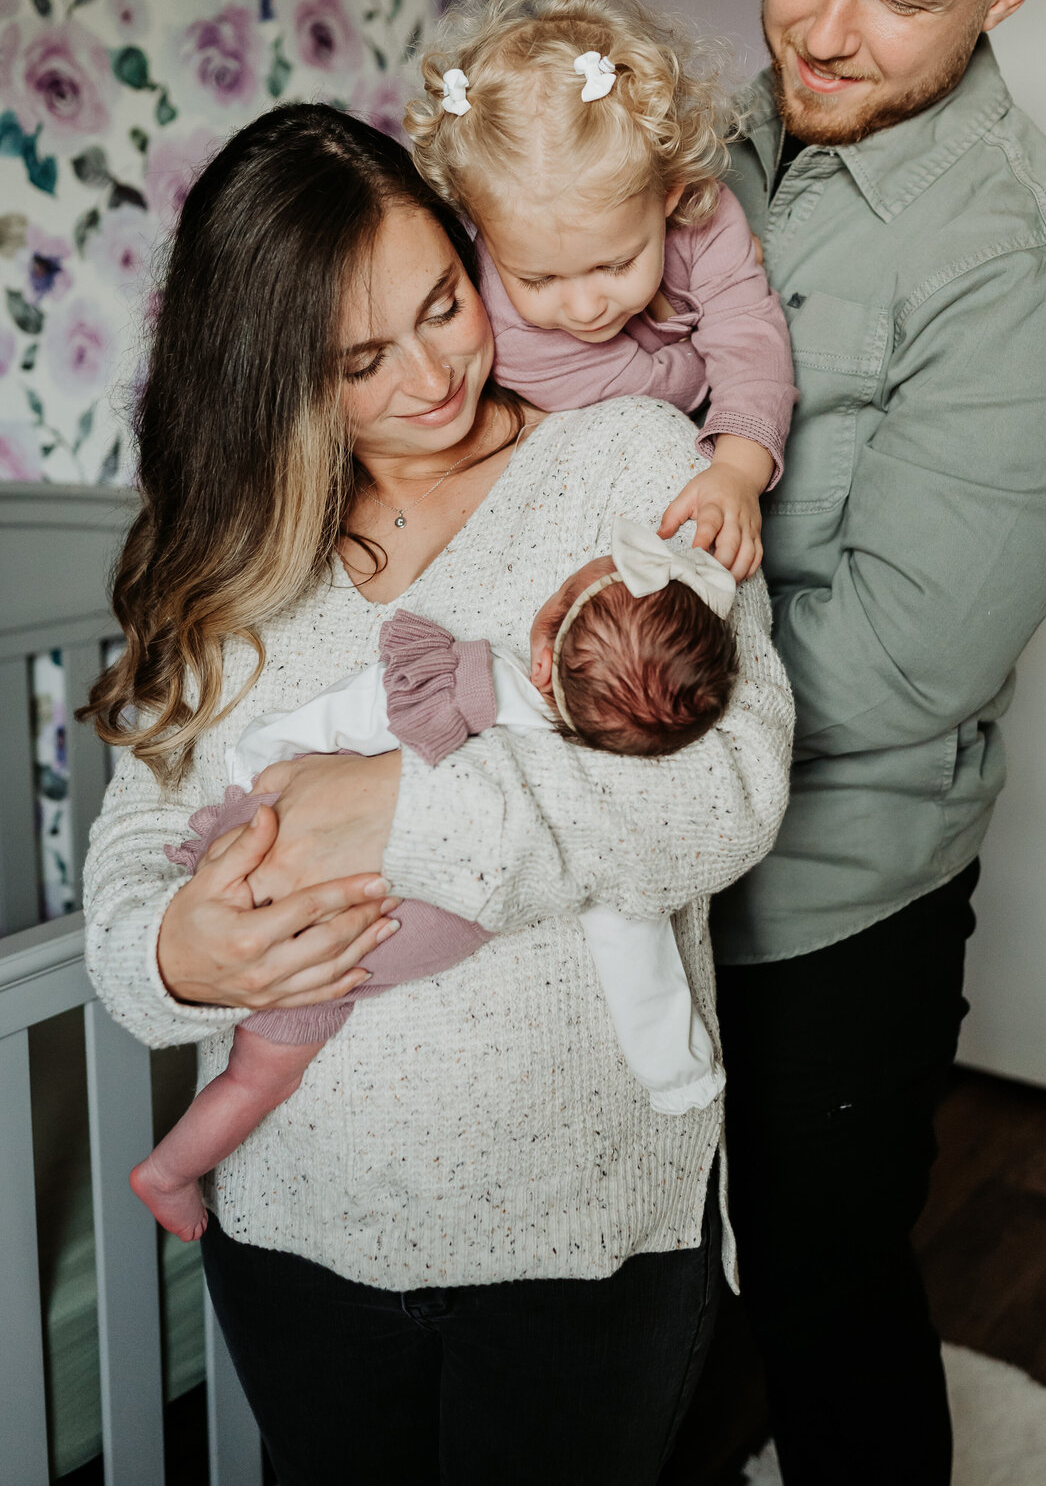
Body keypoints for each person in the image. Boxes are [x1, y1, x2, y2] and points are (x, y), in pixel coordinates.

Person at [82, 102, 794, 1486]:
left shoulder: (629, 461)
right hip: (297, 1224)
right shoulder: (231, 552)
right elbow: (129, 856)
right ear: (272, 375)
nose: (431, 375)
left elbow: (730, 792)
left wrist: (402, 811)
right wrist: (173, 950)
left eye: (444, 303)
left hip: (579, 1232)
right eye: (360, 357)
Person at [705, 0, 1046, 1486]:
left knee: (825, 1298)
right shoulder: (724, 138)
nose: (825, 27)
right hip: (602, 860)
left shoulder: (1042, 283)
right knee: (638, 1278)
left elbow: (890, 660)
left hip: (829, 904)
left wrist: (556, 672)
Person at [130, 522, 740, 1243]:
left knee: (255, 1068)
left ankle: (168, 1170)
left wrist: (263, 762)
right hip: (317, 935)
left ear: (545, 657)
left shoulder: (473, 681)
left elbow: (355, 705)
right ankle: (167, 1170)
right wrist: (676, 1073)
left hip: (261, 834)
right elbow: (641, 967)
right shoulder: (593, 821)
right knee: (258, 1080)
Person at [404, 0, 798, 583]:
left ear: (671, 194)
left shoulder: (705, 212)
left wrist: (739, 472)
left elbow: (749, 341)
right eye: (538, 279)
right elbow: (671, 394)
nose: (586, 307)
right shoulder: (507, 330)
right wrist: (705, 329)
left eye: (614, 265)